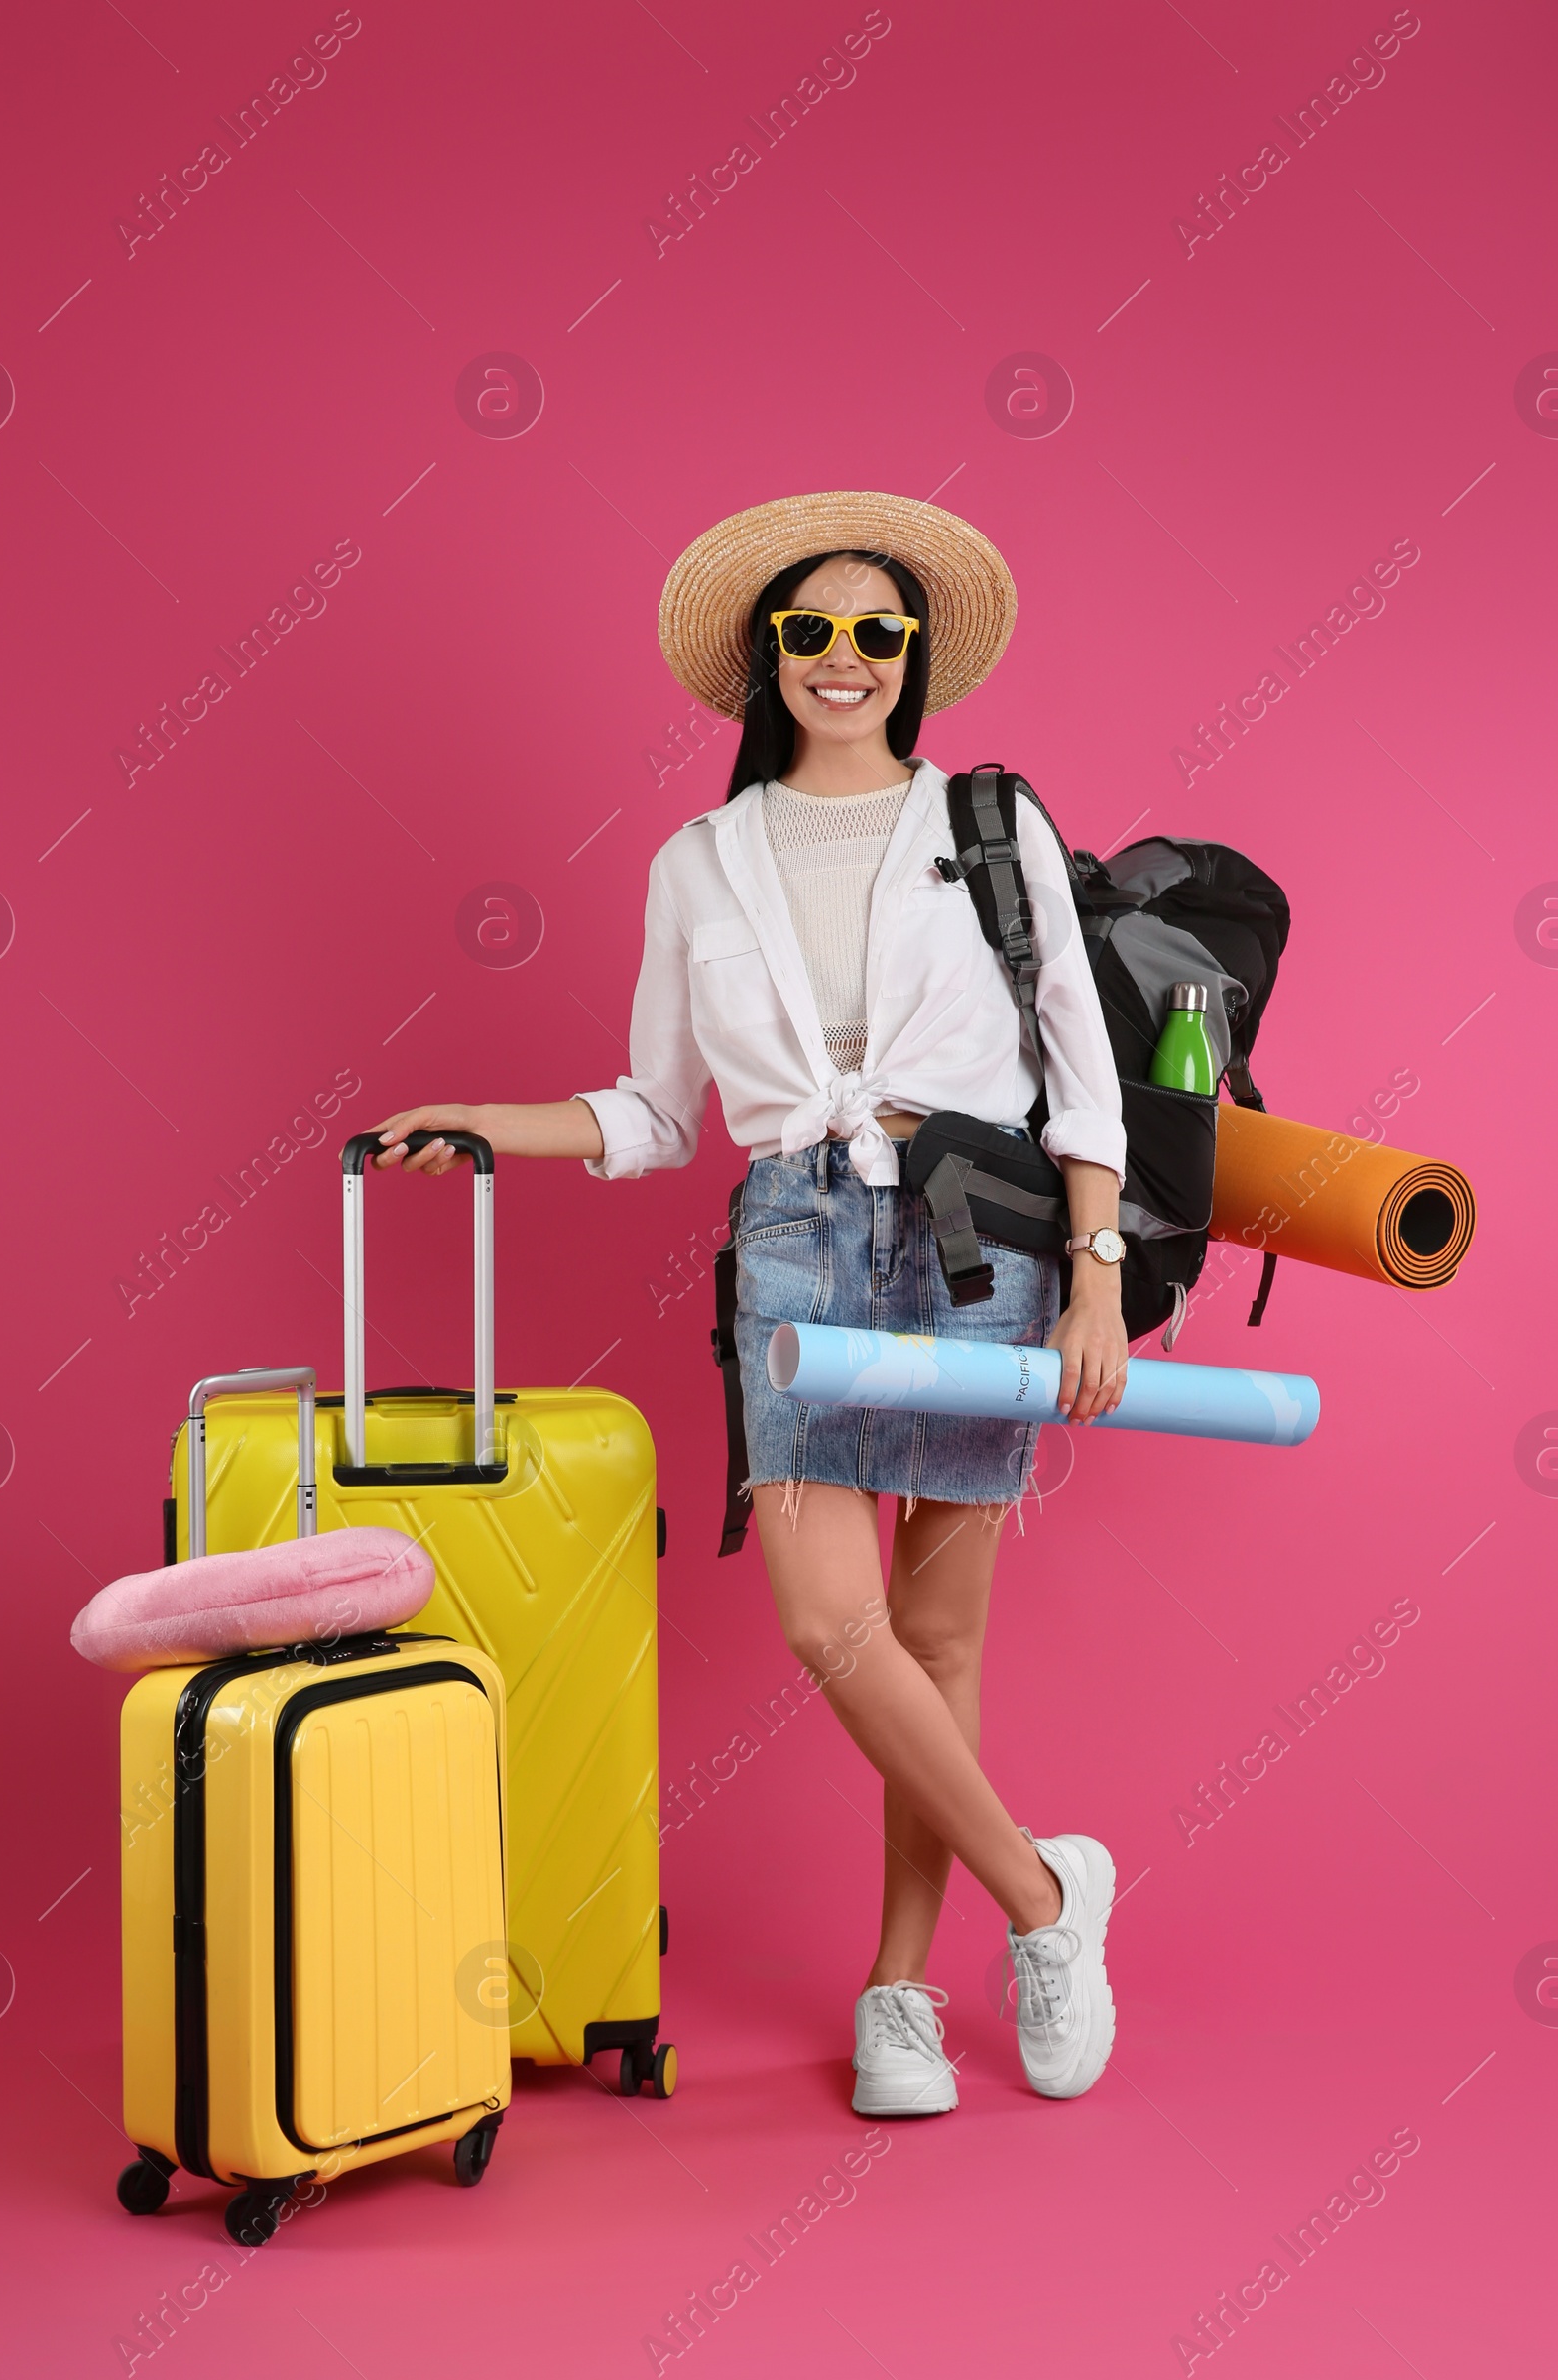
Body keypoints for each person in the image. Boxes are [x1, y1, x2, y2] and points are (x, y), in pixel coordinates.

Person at [373, 491, 1129, 2119]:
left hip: (976, 1239)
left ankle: (901, 1995)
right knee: (827, 1622)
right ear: (765, 658)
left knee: (933, 1638)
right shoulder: (699, 863)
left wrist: (1097, 1283)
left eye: (875, 631)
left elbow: (1085, 1072)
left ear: (912, 657)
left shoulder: (995, 827)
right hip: (795, 1241)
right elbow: (655, 1112)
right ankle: (1051, 1900)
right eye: (811, 631)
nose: (843, 657)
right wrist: (491, 1121)